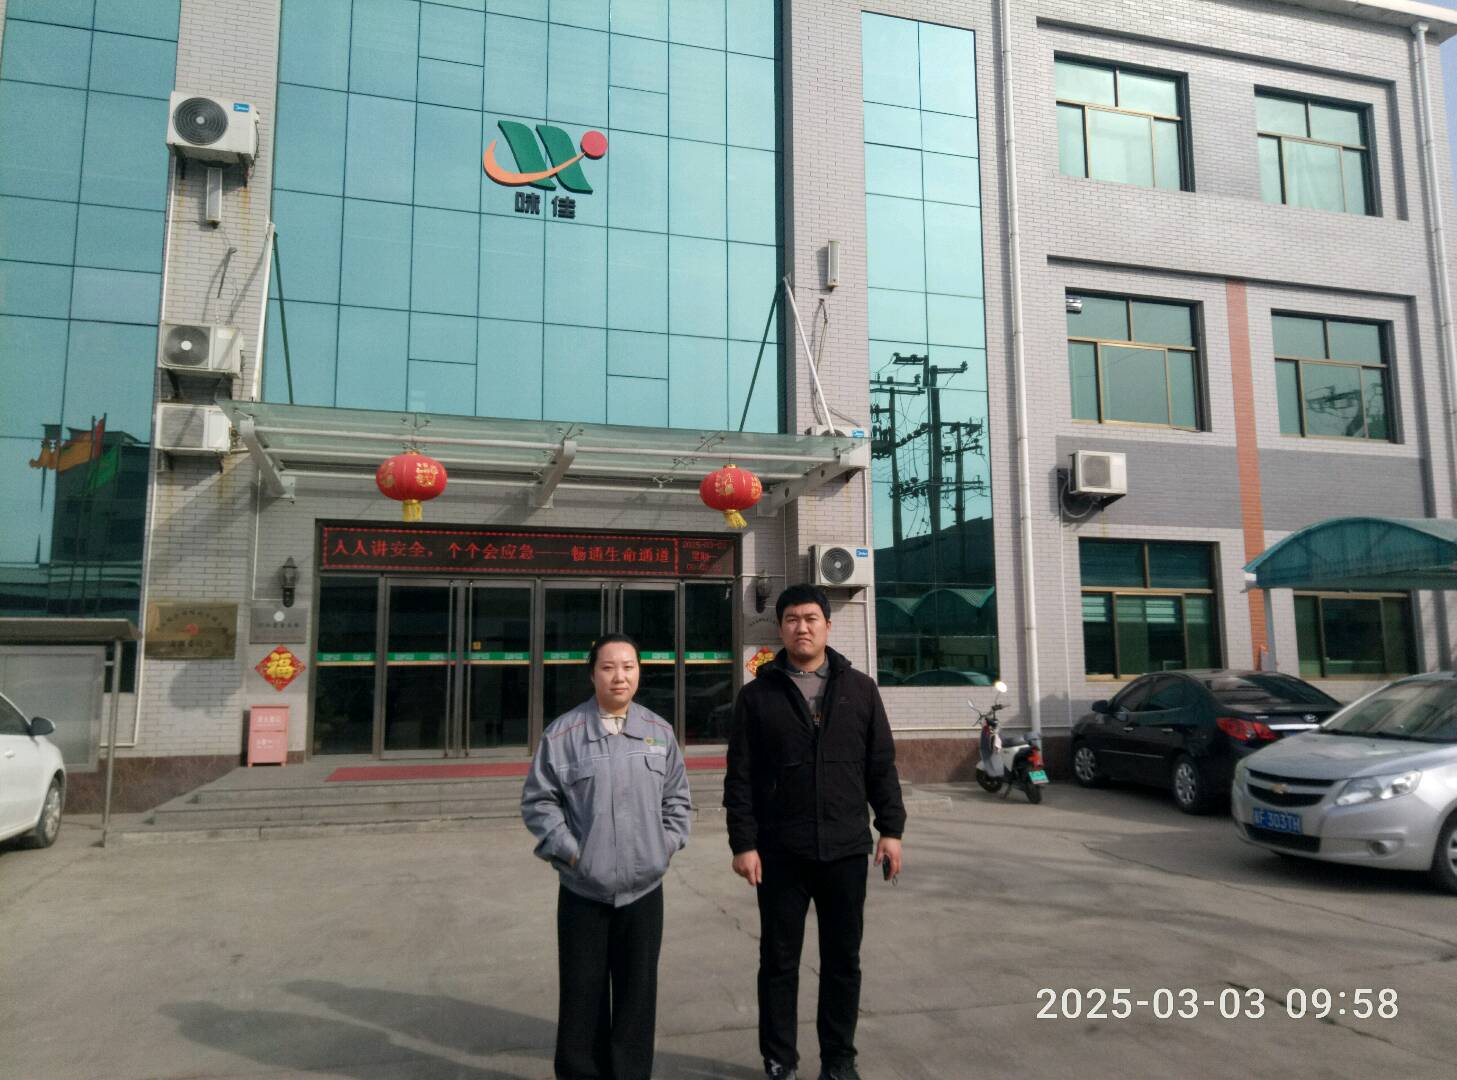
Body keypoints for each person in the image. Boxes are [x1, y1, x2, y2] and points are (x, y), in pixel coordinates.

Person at [724, 584, 906, 1080]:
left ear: (827, 625)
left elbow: (881, 765)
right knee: (779, 961)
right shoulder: (757, 695)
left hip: (846, 850)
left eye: (810, 619)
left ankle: (839, 1060)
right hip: (780, 852)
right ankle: (779, 1059)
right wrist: (744, 843)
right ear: (780, 628)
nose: (801, 628)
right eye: (791, 619)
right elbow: (740, 777)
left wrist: (890, 829)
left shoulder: (860, 689)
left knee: (843, 961)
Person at [522, 633, 692, 1080]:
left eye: (629, 666)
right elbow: (539, 802)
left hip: (644, 891)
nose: (620, 676)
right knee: (583, 995)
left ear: (639, 672)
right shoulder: (563, 735)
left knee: (638, 995)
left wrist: (662, 848)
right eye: (609, 667)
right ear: (592, 674)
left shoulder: (659, 732)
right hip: (583, 891)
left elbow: (677, 800)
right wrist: (573, 855)